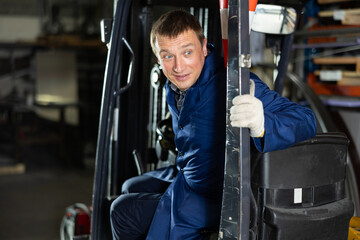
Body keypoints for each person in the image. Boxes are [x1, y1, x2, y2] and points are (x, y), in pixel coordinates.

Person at [110, 9, 317, 240]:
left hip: (216, 196)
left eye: (187, 52)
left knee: (121, 211)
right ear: (158, 58)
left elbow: (306, 120)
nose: (178, 67)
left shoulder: (233, 84)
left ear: (204, 46)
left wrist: (261, 123)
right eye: (168, 56)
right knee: (130, 185)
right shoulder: (174, 88)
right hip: (188, 176)